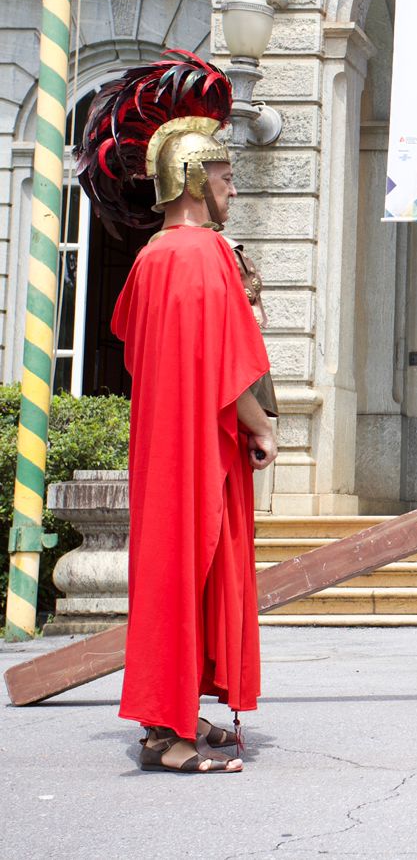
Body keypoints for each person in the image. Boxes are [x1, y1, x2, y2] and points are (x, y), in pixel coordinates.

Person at [76, 51, 277, 773]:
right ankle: (174, 740)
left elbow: (140, 347)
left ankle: (170, 717)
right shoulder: (207, 255)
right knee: (198, 565)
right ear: (193, 177)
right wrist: (262, 427)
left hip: (163, 443)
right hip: (201, 444)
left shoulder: (150, 259)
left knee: (171, 573)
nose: (231, 186)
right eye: (223, 174)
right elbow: (229, 371)